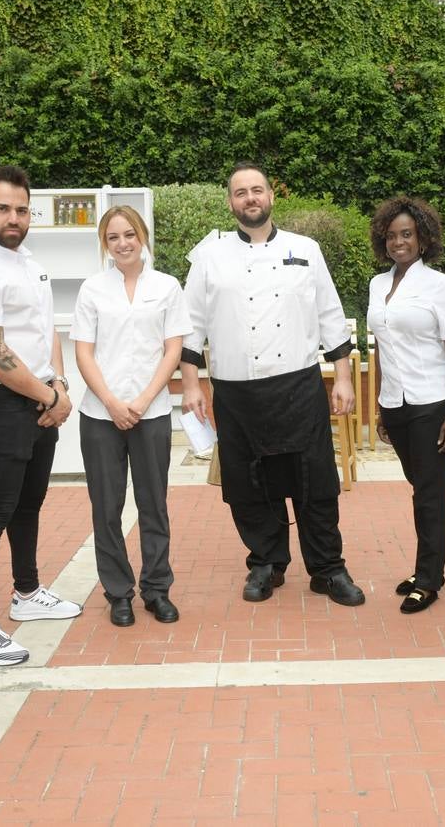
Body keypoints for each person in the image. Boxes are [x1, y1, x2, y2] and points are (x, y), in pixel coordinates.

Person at [180, 162, 366, 607]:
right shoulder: (209, 257)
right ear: (230, 202)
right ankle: (266, 563)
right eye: (241, 192)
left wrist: (343, 377)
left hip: (298, 387)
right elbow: (190, 327)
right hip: (235, 390)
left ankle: (327, 569)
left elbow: (329, 315)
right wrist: (191, 386)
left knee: (315, 481)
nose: (250, 198)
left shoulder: (306, 248)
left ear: (271, 196)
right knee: (248, 485)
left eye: (257, 190)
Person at [0, 165, 82, 668]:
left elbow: (46, 329)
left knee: (29, 507)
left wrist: (60, 384)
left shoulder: (29, 262)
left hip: (41, 399)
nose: (13, 217)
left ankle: (26, 592)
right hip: (1, 405)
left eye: (22, 210)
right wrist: (48, 398)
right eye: (3, 208)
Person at [72, 205, 190, 627]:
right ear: (104, 244)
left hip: (152, 412)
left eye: (129, 235)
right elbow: (83, 351)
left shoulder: (167, 286)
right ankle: (118, 593)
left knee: (153, 505)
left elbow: (172, 349)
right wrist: (112, 402)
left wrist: (140, 402)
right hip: (100, 415)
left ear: (143, 237)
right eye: (112, 237)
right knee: (106, 507)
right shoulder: (92, 289)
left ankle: (157, 590)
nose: (122, 244)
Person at [366, 197, 445, 614]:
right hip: (395, 403)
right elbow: (379, 349)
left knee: (429, 493)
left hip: (430, 402)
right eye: (391, 236)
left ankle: (428, 578)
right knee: (417, 486)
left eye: (407, 234)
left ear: (423, 239)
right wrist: (379, 408)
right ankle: (429, 569)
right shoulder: (376, 284)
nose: (398, 242)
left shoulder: (439, 285)